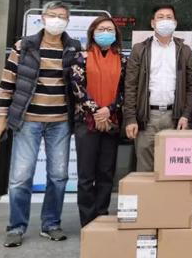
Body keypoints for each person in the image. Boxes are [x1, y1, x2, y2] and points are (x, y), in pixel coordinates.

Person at [0, 1, 80, 248]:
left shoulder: (73, 47)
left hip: (60, 122)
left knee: (59, 176)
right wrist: (1, 116)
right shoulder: (24, 45)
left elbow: (79, 84)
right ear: (42, 18)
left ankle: (51, 224)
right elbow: (7, 82)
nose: (57, 20)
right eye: (52, 15)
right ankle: (16, 227)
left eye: (62, 16)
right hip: (28, 120)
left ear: (67, 21)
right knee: (20, 177)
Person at [123, 5, 192, 171]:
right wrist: (131, 118)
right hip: (147, 117)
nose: (165, 21)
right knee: (145, 168)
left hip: (175, 117)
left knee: (174, 168)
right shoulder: (140, 49)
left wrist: (186, 115)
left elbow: (190, 87)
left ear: (175, 23)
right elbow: (130, 86)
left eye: (169, 17)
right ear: (152, 23)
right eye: (160, 17)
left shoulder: (184, 51)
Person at [70, 16, 127, 227]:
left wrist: (108, 110)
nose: (105, 33)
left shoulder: (122, 60)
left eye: (110, 30)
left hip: (111, 122)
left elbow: (125, 91)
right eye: (101, 29)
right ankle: (87, 221)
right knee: (86, 175)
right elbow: (78, 88)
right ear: (92, 32)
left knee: (106, 173)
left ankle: (101, 215)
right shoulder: (81, 57)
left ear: (116, 35)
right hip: (87, 122)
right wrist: (97, 112)